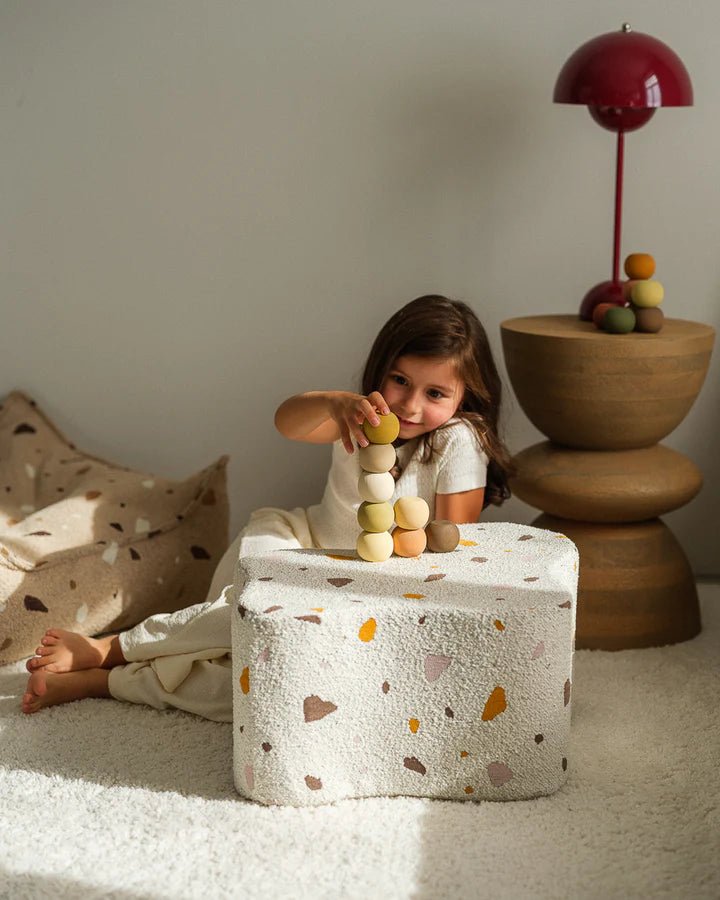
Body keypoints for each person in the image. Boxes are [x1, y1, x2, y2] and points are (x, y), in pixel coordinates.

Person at [21, 294, 514, 719]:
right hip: (297, 543)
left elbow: (452, 537)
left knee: (268, 687)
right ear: (381, 368)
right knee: (248, 606)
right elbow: (287, 421)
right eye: (400, 380)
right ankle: (109, 650)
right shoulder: (360, 416)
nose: (409, 405)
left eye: (435, 393)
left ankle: (106, 682)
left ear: (466, 395)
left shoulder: (459, 441)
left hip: (354, 590)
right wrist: (335, 404)